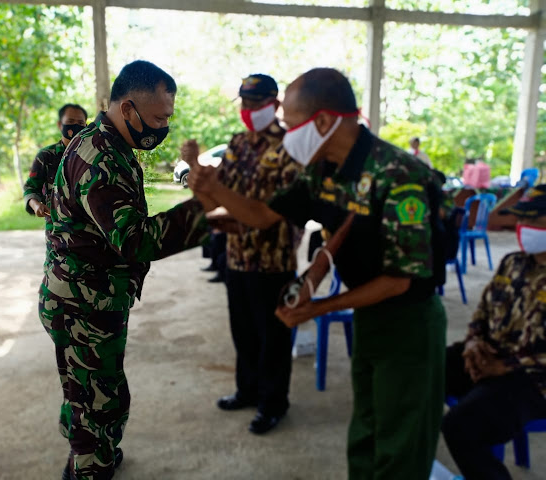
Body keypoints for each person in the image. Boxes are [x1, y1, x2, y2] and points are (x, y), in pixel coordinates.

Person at [188, 67, 447, 479]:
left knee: (402, 441)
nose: (288, 135)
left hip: (409, 323)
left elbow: (400, 279)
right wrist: (213, 187)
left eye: (291, 125)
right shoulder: (324, 170)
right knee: (367, 426)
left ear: (323, 121)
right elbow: (264, 216)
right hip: (369, 313)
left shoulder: (398, 175)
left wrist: (320, 306)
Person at [39, 60, 213, 480]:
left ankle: (87, 455)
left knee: (90, 392)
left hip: (93, 296)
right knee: (97, 404)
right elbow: (134, 239)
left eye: (168, 118)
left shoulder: (110, 145)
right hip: (82, 305)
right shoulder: (99, 157)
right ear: (128, 108)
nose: (163, 127)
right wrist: (208, 213)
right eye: (158, 118)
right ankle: (88, 468)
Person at [211, 74, 302, 434]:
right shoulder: (237, 143)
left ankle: (273, 403)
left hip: (274, 258)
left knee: (273, 337)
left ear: (275, 105)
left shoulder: (291, 145)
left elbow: (278, 207)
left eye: (257, 103)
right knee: (243, 330)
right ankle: (247, 390)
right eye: (245, 104)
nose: (249, 111)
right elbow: (224, 190)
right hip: (237, 254)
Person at [442, 185, 546, 480]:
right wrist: (473, 342)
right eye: (521, 220)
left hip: (534, 381)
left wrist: (506, 367)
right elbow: (483, 310)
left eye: (534, 221)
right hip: (491, 358)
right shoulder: (513, 262)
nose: (523, 228)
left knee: (462, 427)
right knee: (423, 372)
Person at [24, 103, 88, 221]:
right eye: (70, 122)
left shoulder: (93, 154)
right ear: (60, 124)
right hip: (59, 232)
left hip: (93, 232)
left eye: (80, 123)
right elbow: (31, 187)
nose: (75, 126)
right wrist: (35, 205)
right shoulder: (46, 156)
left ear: (86, 125)